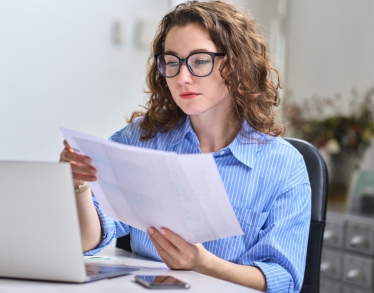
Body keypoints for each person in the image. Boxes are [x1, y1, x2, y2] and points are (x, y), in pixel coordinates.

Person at [59, 1, 311, 292]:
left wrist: (201, 262)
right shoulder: (142, 139)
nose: (182, 77)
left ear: (235, 65)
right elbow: (87, 242)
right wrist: (79, 186)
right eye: (172, 61)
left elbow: (284, 280)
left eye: (200, 60)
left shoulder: (284, 166)